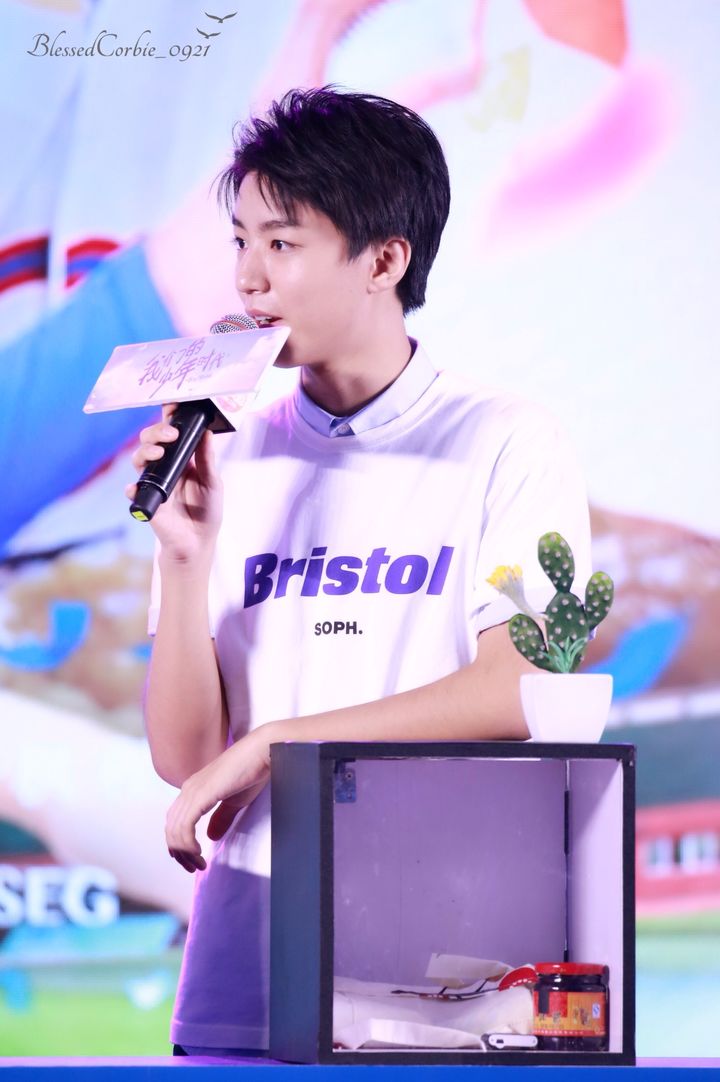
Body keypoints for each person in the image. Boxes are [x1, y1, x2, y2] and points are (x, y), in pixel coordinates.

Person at [127, 86, 591, 1057]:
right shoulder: (227, 448)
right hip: (253, 925)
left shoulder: (506, 439)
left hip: (453, 934)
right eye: (240, 240)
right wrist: (184, 557)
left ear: (384, 259)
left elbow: (521, 686)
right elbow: (187, 757)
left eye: (283, 243)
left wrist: (281, 743)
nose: (249, 278)